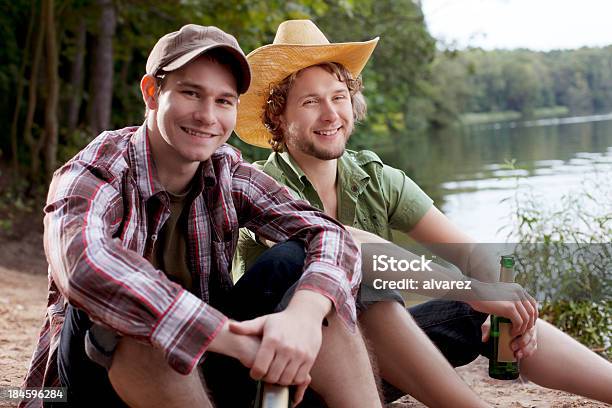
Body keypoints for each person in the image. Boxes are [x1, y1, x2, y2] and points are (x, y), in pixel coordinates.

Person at [233, 19, 612, 406]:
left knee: (481, 310)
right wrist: (473, 289)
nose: (331, 114)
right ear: (277, 116)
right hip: (292, 373)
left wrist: (505, 303)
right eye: (310, 102)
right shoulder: (262, 186)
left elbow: (466, 251)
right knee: (359, 284)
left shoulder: (374, 177)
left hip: (378, 359)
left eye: (339, 96)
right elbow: (348, 245)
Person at [21, 24, 384, 408]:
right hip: (90, 385)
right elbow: (84, 265)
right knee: (128, 313)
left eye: (224, 101)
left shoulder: (225, 170)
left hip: (200, 376)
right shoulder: (98, 170)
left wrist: (305, 317)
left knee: (301, 267)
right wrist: (235, 340)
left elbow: (329, 233)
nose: (207, 116)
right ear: (151, 93)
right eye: (191, 93)